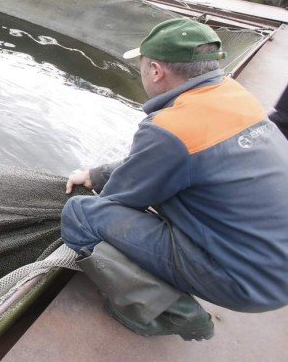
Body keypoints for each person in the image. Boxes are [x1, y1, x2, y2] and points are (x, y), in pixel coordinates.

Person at [62, 19, 288, 341]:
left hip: (246, 281)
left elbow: (119, 199)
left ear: (155, 71)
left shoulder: (171, 128)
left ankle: (171, 312)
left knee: (82, 215)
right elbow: (168, 158)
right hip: (276, 269)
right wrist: (96, 174)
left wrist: (99, 186)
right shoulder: (234, 95)